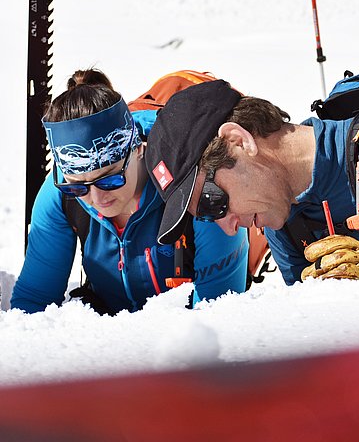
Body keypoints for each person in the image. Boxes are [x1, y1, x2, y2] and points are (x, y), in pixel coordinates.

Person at [144, 79, 359, 292]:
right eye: (202, 217)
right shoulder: (283, 220)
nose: (228, 227)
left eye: (211, 201)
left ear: (238, 140)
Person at [11, 70, 248, 315]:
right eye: (78, 187)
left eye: (110, 179)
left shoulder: (196, 182)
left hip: (186, 339)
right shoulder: (59, 195)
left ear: (137, 150)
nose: (97, 198)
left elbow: (219, 310)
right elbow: (34, 300)